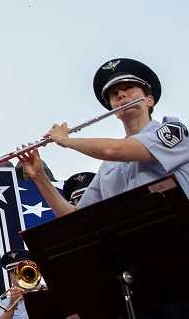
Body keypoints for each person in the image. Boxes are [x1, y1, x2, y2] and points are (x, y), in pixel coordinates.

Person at [19, 58, 189, 217]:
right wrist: (39, 177)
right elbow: (76, 217)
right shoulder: (108, 167)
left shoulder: (174, 131)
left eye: (129, 87)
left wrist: (66, 140)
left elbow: (114, 150)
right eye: (114, 93)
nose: (121, 95)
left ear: (149, 100)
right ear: (113, 110)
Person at [0, 250, 32, 319]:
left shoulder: (45, 290)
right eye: (13, 271)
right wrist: (12, 305)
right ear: (10, 276)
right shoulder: (4, 301)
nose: (18, 274)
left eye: (22, 270)